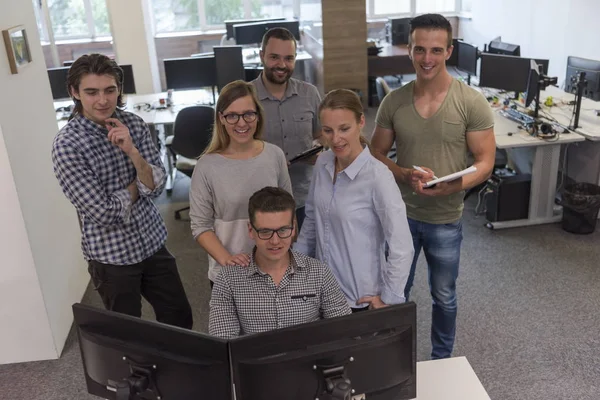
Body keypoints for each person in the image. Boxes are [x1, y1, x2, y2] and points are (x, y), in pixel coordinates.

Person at [370, 14, 496, 359]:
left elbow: (485, 162)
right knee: (396, 292)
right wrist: (401, 173)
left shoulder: (471, 101)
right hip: (401, 216)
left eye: (436, 50)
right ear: (409, 50)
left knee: (444, 296)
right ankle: (394, 361)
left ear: (449, 51)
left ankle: (441, 359)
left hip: (445, 218)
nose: (427, 58)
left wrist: (453, 185)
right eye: (420, 49)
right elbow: (375, 153)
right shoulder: (393, 101)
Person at [51, 54, 193, 329]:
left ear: (119, 89)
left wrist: (132, 152)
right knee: (129, 335)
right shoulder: (67, 146)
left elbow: (156, 186)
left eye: (110, 90)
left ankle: (178, 372)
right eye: (91, 92)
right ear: (74, 92)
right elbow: (103, 213)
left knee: (179, 318)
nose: (103, 100)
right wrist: (137, 186)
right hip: (111, 258)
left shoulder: (135, 125)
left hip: (152, 243)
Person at [295, 89, 414, 313]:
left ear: (361, 122)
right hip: (323, 293)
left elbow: (402, 246)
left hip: (359, 299)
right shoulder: (323, 163)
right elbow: (312, 220)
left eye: (344, 129)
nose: (335, 139)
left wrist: (388, 298)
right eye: (328, 130)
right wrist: (295, 268)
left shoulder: (378, 176)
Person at [208, 187, 351, 338]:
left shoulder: (319, 272)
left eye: (283, 230)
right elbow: (223, 340)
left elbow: (343, 331)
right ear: (251, 230)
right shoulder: (228, 279)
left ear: (294, 228)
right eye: (265, 232)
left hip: (310, 360)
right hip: (254, 361)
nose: (275, 241)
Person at [190, 80, 292, 287]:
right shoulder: (206, 166)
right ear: (221, 119)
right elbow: (200, 226)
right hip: (230, 272)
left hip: (273, 269)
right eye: (232, 115)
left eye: (248, 114)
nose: (242, 123)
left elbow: (288, 213)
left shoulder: (274, 155)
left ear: (257, 115)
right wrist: (227, 259)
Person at [252, 27, 322, 230]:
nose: (282, 65)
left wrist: (317, 147)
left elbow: (321, 135)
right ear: (262, 55)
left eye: (288, 58)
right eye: (274, 57)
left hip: (303, 197)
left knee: (305, 259)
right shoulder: (246, 97)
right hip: (261, 200)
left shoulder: (309, 94)